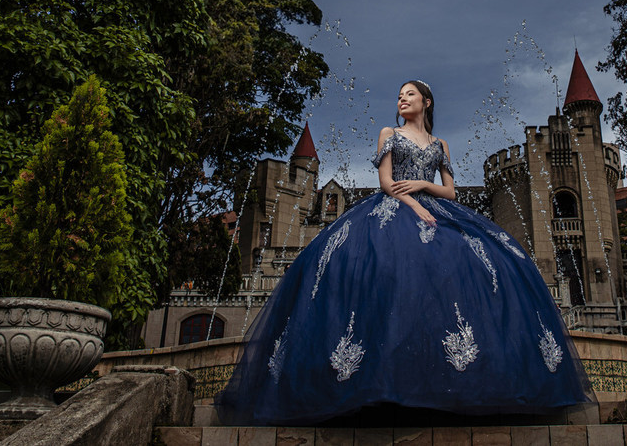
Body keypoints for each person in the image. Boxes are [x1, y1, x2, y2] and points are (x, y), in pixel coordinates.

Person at [216, 80, 594, 425]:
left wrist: (422, 188)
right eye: (399, 95)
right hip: (393, 211)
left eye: (409, 94)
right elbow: (384, 182)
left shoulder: (440, 144)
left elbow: (451, 191)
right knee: (379, 271)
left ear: (426, 102)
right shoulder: (389, 134)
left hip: (434, 207)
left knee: (492, 262)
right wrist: (414, 205)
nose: (401, 99)